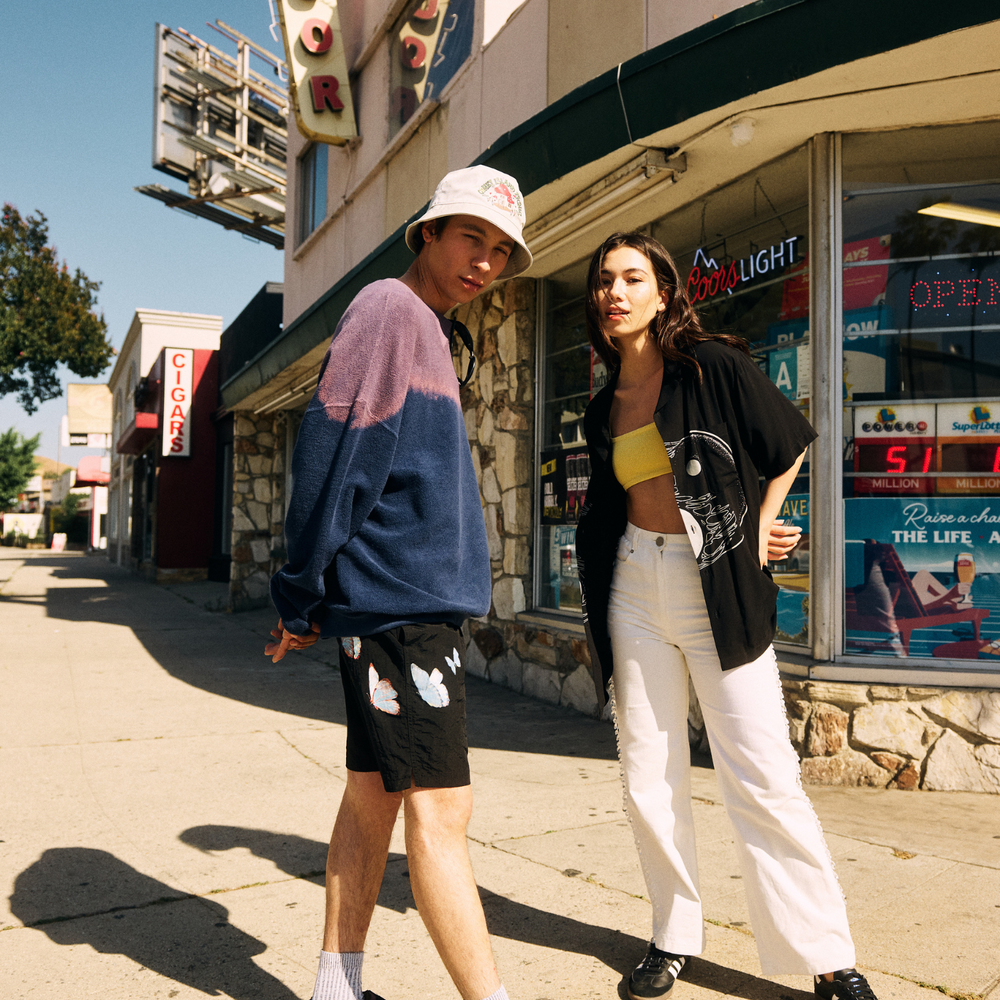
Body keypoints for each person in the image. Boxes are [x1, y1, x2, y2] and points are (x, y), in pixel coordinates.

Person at [575, 232, 879, 1000]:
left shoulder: (712, 366)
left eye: (632, 278)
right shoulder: (601, 404)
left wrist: (759, 533)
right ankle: (672, 934)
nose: (615, 291)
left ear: (664, 293)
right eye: (604, 280)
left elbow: (787, 446)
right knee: (648, 776)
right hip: (632, 587)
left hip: (714, 582)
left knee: (764, 776)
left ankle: (828, 955)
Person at [265, 165, 533, 1000]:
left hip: (397, 608)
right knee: (441, 820)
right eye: (469, 238)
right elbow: (334, 459)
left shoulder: (427, 330)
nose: (484, 263)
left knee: (372, 802)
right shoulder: (390, 310)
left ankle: (336, 989)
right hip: (400, 611)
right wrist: (298, 594)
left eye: (499, 250)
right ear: (427, 233)